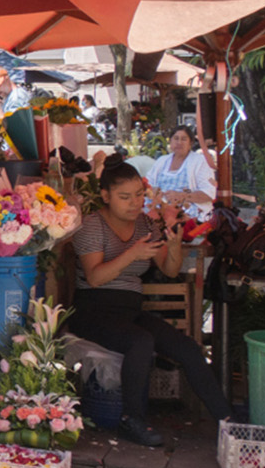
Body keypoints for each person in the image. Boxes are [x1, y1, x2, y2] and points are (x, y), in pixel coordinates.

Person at [67, 160, 234, 446]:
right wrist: (133, 253)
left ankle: (229, 424)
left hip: (130, 310)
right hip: (92, 310)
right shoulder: (91, 226)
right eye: (125, 197)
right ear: (106, 196)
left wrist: (174, 246)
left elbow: (170, 269)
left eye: (138, 195)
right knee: (140, 341)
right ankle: (132, 420)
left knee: (188, 349)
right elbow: (95, 277)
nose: (134, 204)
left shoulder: (145, 224)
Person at [145, 124, 217, 222]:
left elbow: (209, 194)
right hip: (159, 211)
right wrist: (155, 192)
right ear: (170, 141)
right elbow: (147, 185)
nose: (179, 142)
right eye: (176, 138)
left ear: (190, 143)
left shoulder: (199, 161)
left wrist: (182, 196)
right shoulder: (161, 161)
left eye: (184, 139)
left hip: (187, 215)